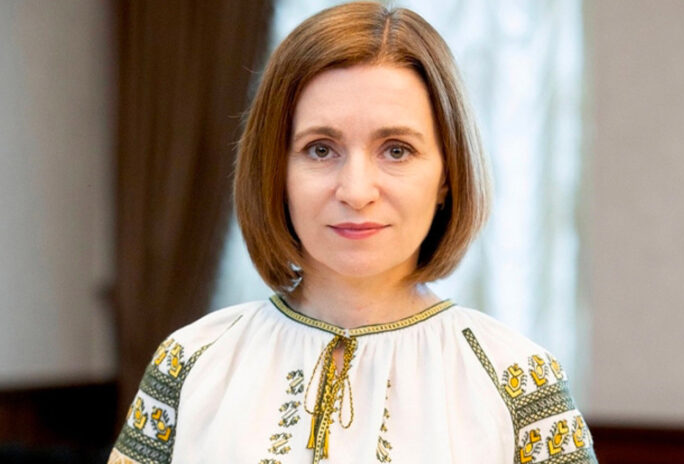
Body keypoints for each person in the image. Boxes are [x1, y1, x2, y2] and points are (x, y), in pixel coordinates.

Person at [108, 2, 597, 463]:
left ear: (447, 175)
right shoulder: (191, 361)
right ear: (275, 172)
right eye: (321, 149)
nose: (357, 191)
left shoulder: (519, 381)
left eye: (397, 150)